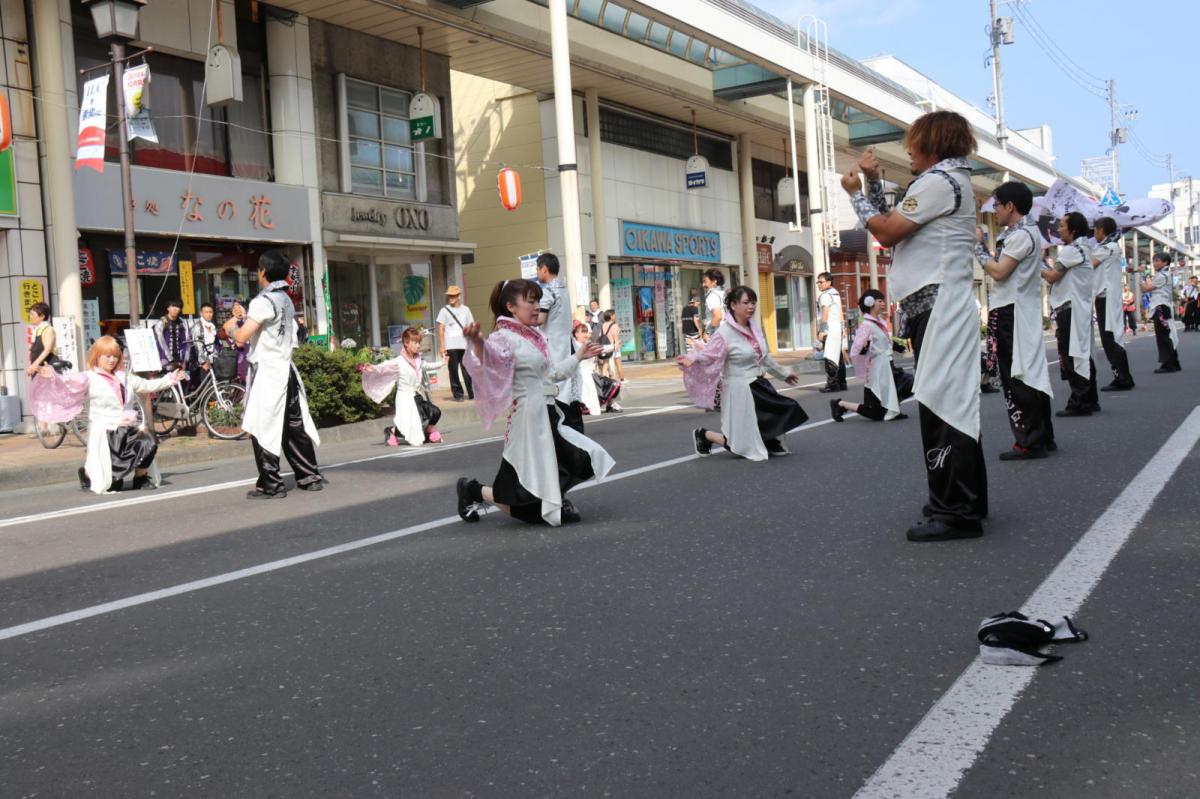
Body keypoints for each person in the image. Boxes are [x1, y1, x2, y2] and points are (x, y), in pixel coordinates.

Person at [841, 111, 987, 541]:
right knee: (953, 404)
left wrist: (854, 193)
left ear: (932, 142)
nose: (908, 151)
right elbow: (900, 227)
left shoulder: (941, 182)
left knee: (942, 405)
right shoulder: (947, 181)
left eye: (914, 142)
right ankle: (962, 501)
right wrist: (871, 184)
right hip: (940, 304)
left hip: (940, 304)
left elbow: (886, 232)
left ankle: (955, 511)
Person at [455, 279, 615, 526]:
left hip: (548, 413)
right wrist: (477, 342)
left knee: (579, 459)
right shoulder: (503, 337)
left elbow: (551, 374)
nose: (537, 306)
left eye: (538, 301)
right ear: (511, 306)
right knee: (519, 494)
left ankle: (555, 500)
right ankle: (472, 490)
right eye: (530, 301)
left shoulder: (533, 337)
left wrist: (579, 356)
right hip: (528, 419)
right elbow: (491, 358)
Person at [28, 336, 183, 493]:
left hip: (128, 429)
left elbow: (147, 385)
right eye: (107, 356)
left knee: (148, 442)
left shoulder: (125, 377)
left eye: (115, 356)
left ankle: (140, 477)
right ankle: (87, 474)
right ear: (97, 356)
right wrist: (53, 376)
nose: (111, 360)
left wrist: (170, 379)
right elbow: (67, 384)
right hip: (105, 432)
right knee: (113, 485)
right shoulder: (89, 377)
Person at [973, 181, 1057, 459]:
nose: (994, 211)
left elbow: (999, 272)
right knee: (1029, 372)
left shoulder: (1021, 235)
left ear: (1011, 206)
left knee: (1015, 375)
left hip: (1011, 310)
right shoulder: (1025, 232)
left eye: (996, 205)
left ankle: (1028, 441)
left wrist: (978, 246)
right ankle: (1041, 437)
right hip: (1018, 309)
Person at [678, 285, 807, 460]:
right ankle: (704, 435)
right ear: (733, 305)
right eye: (746, 302)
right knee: (739, 444)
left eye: (753, 302)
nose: (751, 306)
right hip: (739, 388)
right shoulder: (724, 332)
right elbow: (710, 354)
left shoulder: (754, 328)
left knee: (783, 409)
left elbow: (763, 356)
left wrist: (784, 374)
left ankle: (769, 440)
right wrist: (693, 359)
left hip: (759, 385)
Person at [234, 250, 323, 498]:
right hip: (287, 369)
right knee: (294, 426)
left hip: (269, 372)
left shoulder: (263, 301)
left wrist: (234, 327)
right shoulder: (285, 299)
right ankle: (309, 476)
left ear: (263, 271)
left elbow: (242, 337)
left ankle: (271, 484)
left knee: (263, 426)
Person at [1044, 212, 1100, 416]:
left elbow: (1051, 276)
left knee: (1072, 355)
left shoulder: (1071, 250)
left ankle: (1080, 402)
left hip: (1069, 308)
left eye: (1062, 225)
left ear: (1073, 229)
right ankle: (1090, 399)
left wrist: (1038, 265)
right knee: (1082, 353)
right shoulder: (1084, 247)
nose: (1059, 229)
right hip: (1078, 307)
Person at [830, 290, 907, 424]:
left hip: (886, 366)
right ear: (870, 303)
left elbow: (882, 341)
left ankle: (892, 410)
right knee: (875, 412)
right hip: (876, 369)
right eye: (880, 301)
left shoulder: (879, 321)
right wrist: (865, 348)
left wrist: (895, 346)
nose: (883, 304)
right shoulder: (866, 324)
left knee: (907, 385)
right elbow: (856, 350)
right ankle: (841, 404)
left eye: (883, 301)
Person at [362, 326, 444, 447]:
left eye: (418, 342)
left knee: (435, 412)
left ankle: (429, 431)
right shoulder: (399, 361)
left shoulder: (418, 360)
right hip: (404, 399)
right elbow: (385, 366)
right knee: (408, 427)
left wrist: (443, 362)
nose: (418, 345)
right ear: (406, 343)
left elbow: (428, 366)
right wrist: (373, 368)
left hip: (416, 397)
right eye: (415, 342)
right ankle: (391, 431)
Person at [534, 252, 583, 432]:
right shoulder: (563, 288)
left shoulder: (548, 290)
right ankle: (576, 432)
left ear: (544, 269)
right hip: (567, 344)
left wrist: (522, 320)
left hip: (554, 346)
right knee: (570, 390)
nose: (537, 273)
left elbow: (540, 319)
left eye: (538, 269)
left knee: (557, 390)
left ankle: (566, 435)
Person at [1089, 217, 1136, 392]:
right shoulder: (1109, 247)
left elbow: (1089, 265)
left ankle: (1123, 378)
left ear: (1102, 230)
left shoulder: (1108, 248)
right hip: (1106, 297)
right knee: (1110, 337)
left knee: (1110, 338)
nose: (1094, 234)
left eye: (1095, 230)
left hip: (1107, 298)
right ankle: (1123, 376)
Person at [1142, 252, 1182, 373]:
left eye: (1157, 261)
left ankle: (1170, 364)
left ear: (1165, 262)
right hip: (1162, 307)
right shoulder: (1164, 274)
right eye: (1154, 261)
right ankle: (1172, 363)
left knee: (1164, 336)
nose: (1154, 263)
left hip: (1161, 307)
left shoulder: (1162, 275)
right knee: (1166, 335)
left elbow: (1146, 288)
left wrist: (1142, 275)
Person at [436, 285, 475, 402]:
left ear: (459, 296)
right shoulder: (444, 310)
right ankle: (458, 394)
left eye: (453, 295)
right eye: (449, 296)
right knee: (453, 370)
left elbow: (471, 326)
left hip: (464, 345)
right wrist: (442, 346)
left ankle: (473, 393)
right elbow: (441, 328)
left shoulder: (466, 310)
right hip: (450, 346)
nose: (450, 298)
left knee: (467, 369)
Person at [816, 272, 848, 392]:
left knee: (829, 356)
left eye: (821, 282)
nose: (819, 284)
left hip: (829, 329)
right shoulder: (836, 294)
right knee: (838, 356)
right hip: (837, 329)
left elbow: (825, 312)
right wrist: (843, 327)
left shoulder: (825, 295)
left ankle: (832, 385)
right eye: (818, 282)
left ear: (829, 282)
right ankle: (842, 383)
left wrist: (822, 330)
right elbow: (840, 312)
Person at [154, 299, 193, 379]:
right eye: (173, 306)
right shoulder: (162, 322)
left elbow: (187, 341)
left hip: (179, 357)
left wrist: (185, 360)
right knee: (167, 383)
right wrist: (168, 359)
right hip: (164, 358)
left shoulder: (183, 322)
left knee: (181, 383)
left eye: (178, 307)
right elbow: (160, 341)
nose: (175, 309)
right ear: (168, 308)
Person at [25, 302, 60, 378]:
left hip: (48, 368)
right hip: (39, 369)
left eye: (32, 315)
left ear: (42, 316)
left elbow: (47, 350)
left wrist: (34, 365)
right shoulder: (37, 330)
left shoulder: (48, 329)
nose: (30, 317)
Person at [221, 299, 250, 382]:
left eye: (240, 308)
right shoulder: (229, 324)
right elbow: (240, 343)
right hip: (236, 360)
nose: (238, 311)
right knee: (239, 388)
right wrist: (239, 317)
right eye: (235, 309)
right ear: (231, 312)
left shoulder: (245, 322)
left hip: (247, 358)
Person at [598, 309, 624, 382]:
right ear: (611, 316)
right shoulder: (614, 325)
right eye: (614, 315)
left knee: (605, 363)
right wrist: (617, 345)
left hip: (605, 346)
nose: (615, 316)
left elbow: (601, 335)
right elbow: (615, 336)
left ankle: (603, 380)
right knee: (618, 363)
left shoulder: (603, 325)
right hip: (613, 346)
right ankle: (622, 379)